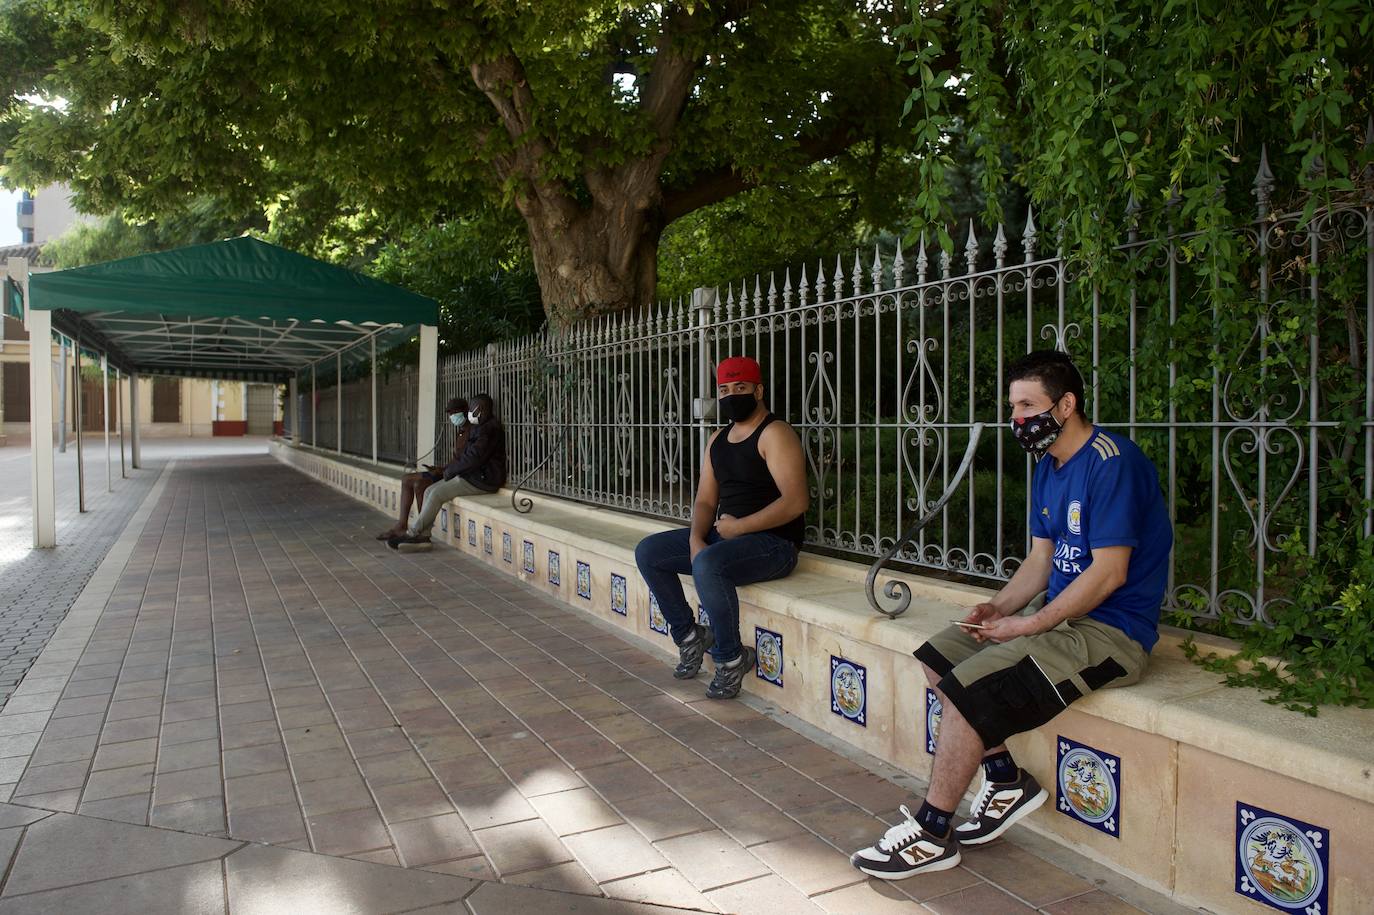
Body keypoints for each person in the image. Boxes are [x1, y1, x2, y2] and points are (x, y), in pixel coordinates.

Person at [850, 350, 1172, 879]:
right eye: (1013, 407)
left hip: (1110, 633)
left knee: (968, 690)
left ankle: (932, 835)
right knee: (940, 655)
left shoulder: (1114, 462)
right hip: (1058, 619)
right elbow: (1042, 559)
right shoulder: (1049, 467)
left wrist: (1031, 624)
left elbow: (1110, 573)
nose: (1017, 418)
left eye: (1027, 405)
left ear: (1065, 405)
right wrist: (998, 608)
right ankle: (1004, 778)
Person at [634, 356, 808, 700]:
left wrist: (739, 528)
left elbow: (796, 501)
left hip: (774, 544)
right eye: (724, 390)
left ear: (759, 390)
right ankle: (689, 636)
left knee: (708, 563)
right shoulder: (717, 440)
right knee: (649, 552)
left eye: (740, 388)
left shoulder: (774, 433)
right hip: (727, 537)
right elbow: (704, 501)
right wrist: (696, 538)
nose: (731, 396)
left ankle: (730, 658)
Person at [389, 393, 507, 549]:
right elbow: (466, 456)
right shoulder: (481, 427)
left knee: (436, 494)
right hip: (472, 476)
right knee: (429, 490)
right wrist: (449, 471)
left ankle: (413, 533)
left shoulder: (490, 430)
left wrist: (449, 472)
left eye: (472, 409)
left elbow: (474, 457)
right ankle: (423, 536)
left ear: (481, 409)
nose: (470, 412)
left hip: (483, 480)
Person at [377, 397, 470, 540]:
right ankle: (403, 525)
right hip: (448, 471)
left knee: (418, 484)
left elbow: (465, 461)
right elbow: (456, 459)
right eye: (450, 413)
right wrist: (441, 468)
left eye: (455, 412)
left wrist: (443, 471)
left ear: (465, 411)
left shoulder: (471, 431)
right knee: (406, 479)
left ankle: (421, 530)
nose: (452, 416)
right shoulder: (462, 431)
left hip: (453, 474)